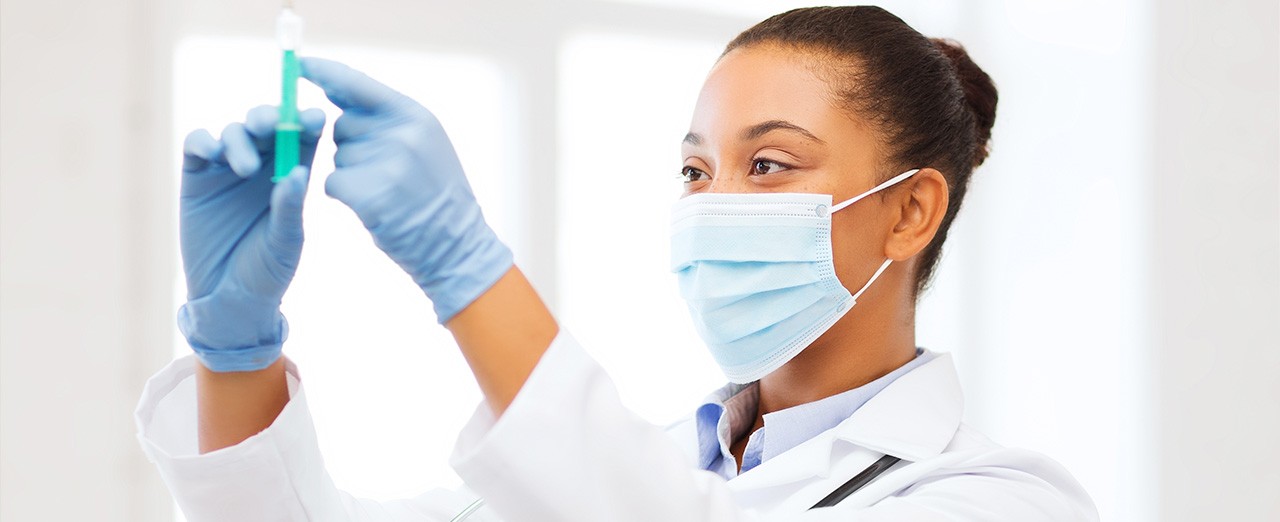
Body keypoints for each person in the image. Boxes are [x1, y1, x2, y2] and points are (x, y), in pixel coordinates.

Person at [137, 6, 1098, 521]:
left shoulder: (999, 501)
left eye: (769, 165)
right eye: (695, 171)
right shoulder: (618, 469)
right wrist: (235, 349)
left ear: (910, 211)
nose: (713, 205)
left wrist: (466, 270)